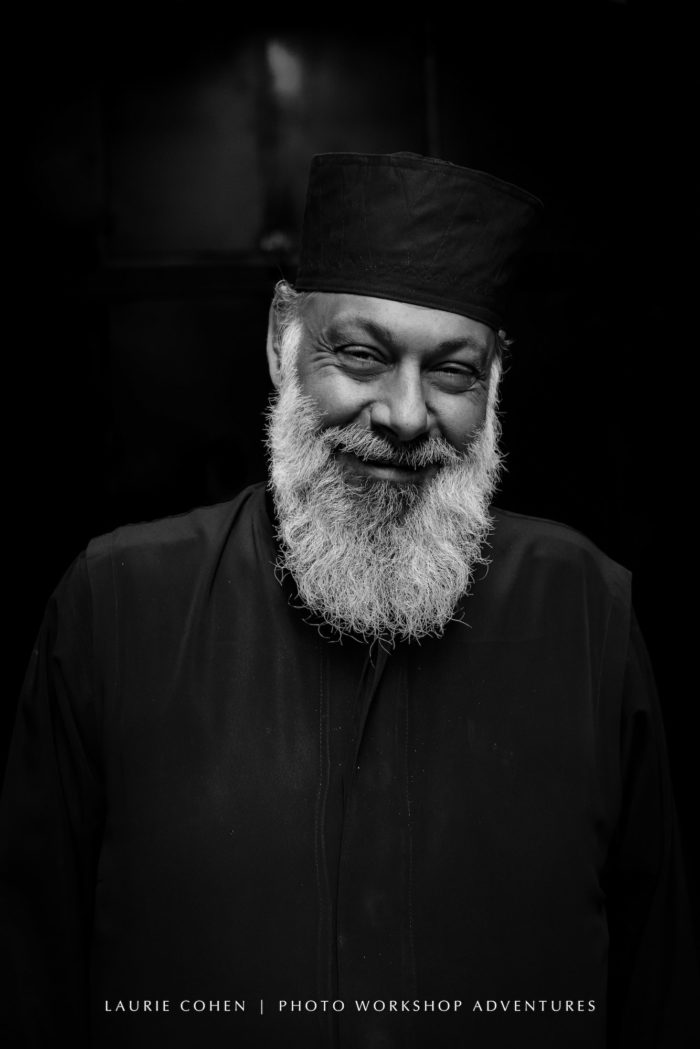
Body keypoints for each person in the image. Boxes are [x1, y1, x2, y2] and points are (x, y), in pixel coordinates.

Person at [1, 152, 696, 1049]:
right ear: (280, 341)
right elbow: (28, 988)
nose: (406, 415)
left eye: (452, 371)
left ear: (494, 384)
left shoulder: (586, 614)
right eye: (362, 355)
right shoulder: (115, 607)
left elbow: (660, 992)